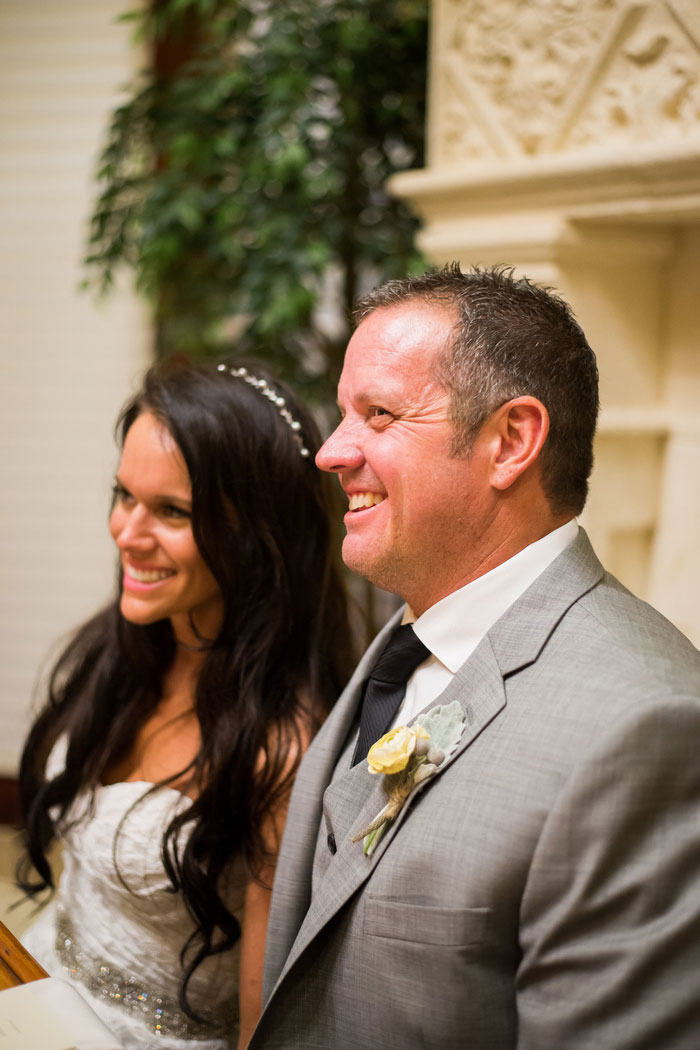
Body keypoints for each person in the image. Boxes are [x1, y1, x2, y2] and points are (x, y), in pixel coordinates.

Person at [247, 264, 700, 1049]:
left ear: (510, 442)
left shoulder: (649, 729)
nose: (330, 452)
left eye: (378, 414)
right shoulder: (404, 641)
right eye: (343, 413)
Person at [16, 356, 355, 1050]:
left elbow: (265, 1022)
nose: (127, 534)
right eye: (123, 495)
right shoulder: (124, 648)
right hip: (34, 986)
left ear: (257, 538)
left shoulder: (282, 751)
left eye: (171, 512)